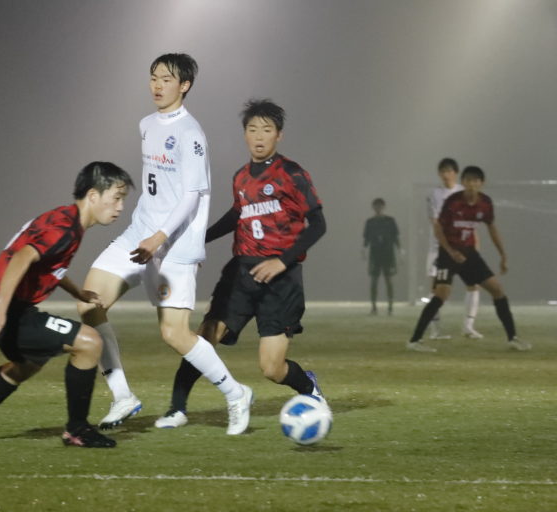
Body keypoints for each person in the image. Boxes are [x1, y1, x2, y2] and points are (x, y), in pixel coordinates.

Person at [77, 53, 253, 435]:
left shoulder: (191, 133)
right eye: (153, 77)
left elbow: (191, 195)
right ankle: (122, 396)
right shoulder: (146, 124)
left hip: (174, 246)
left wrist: (160, 238)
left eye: (166, 79)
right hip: (138, 234)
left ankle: (236, 393)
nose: (157, 85)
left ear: (184, 85)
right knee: (89, 303)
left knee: (174, 334)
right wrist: (146, 230)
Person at [155, 99, 327, 430]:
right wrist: (196, 241)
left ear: (279, 135)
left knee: (271, 368)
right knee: (204, 338)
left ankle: (308, 386)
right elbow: (237, 215)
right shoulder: (241, 177)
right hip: (240, 275)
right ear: (244, 134)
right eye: (252, 130)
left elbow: (318, 225)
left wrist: (282, 261)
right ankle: (177, 408)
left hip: (282, 280)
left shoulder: (292, 174)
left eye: (266, 130)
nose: (259, 137)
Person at [0, 161, 134, 448]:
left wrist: (79, 293)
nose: (120, 207)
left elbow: (49, 266)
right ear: (93, 195)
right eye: (117, 198)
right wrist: (1, 307)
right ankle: (78, 430)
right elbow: (22, 257)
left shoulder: (66, 219)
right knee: (89, 342)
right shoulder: (65, 228)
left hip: (2, 302)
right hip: (7, 307)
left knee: (28, 364)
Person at [406, 166, 531, 352]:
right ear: (463, 182)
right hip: (448, 254)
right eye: (468, 180)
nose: (472, 184)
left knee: (497, 289)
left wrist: (503, 254)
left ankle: (512, 338)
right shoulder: (453, 202)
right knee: (441, 294)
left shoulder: (485, 203)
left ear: (481, 183)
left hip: (469, 254)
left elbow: (492, 228)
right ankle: (415, 341)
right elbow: (438, 228)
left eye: (475, 181)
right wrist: (450, 251)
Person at [426, 158, 482, 339]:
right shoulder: (434, 194)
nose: (445, 174)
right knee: (436, 288)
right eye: (442, 171)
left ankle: (468, 326)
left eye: (449, 171)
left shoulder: (464, 192)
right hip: (439, 248)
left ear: (456, 173)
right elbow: (435, 223)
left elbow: (471, 222)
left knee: (473, 284)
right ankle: (435, 330)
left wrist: (475, 245)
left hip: (464, 247)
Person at [362, 198, 400, 315]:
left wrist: (400, 250)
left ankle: (390, 307)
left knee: (389, 280)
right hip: (375, 254)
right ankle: (374, 307)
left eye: (380, 206)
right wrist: (364, 249)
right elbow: (366, 238)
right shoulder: (370, 222)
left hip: (388, 254)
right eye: (376, 206)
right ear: (373, 207)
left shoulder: (390, 221)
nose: (378, 208)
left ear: (383, 207)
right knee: (374, 280)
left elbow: (395, 237)